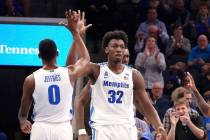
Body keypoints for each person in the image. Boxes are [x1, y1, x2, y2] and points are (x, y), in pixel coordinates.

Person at [75, 29, 166, 140]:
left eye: (122, 47)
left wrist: (159, 126)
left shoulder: (134, 75)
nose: (118, 49)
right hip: (103, 128)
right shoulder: (96, 70)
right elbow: (83, 62)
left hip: (127, 128)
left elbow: (147, 106)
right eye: (114, 46)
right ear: (106, 49)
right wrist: (76, 35)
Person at [18, 10, 91, 140]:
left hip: (40, 128)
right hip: (62, 128)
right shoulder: (68, 73)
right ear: (57, 54)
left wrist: (23, 121)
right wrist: (76, 34)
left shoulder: (30, 79)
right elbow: (85, 59)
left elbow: (23, 112)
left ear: (39, 55)